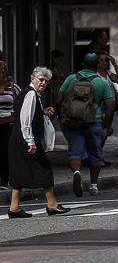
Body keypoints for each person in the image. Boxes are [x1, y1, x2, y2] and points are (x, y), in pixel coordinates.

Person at [7, 67, 68, 217]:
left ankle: (14, 208)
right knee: (44, 168)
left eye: (45, 81)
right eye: (40, 79)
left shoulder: (30, 93)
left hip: (19, 138)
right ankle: (52, 205)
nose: (43, 83)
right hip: (26, 138)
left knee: (19, 171)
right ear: (33, 78)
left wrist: (42, 112)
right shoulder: (31, 94)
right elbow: (25, 120)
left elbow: (27, 113)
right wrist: (30, 142)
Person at [56, 53, 114, 197]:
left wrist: (61, 115)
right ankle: (94, 186)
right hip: (94, 122)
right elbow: (110, 107)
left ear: (82, 64)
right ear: (97, 65)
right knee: (96, 155)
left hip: (73, 122)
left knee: (75, 153)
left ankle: (76, 172)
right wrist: (106, 126)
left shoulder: (71, 78)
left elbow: (59, 98)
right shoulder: (102, 82)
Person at [96, 51, 118, 166]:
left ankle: (99, 156)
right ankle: (96, 157)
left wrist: (114, 63)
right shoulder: (95, 74)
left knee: (106, 132)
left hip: (110, 107)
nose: (104, 62)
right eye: (101, 60)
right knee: (99, 132)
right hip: (100, 106)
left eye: (106, 60)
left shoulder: (108, 73)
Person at [0, 61, 21, 190]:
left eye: (4, 69)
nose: (2, 72)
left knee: (4, 151)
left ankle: (4, 180)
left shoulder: (12, 87)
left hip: (8, 124)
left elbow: (21, 102)